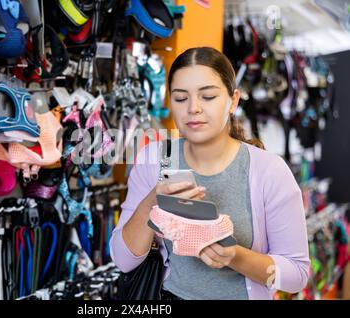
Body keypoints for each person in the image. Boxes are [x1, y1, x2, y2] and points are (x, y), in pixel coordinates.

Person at [109, 47, 310, 300]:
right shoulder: (156, 159)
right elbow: (122, 260)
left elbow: (296, 276)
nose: (193, 108)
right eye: (181, 98)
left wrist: (235, 257)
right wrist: (151, 203)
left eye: (208, 97)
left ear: (233, 101)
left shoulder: (268, 171)